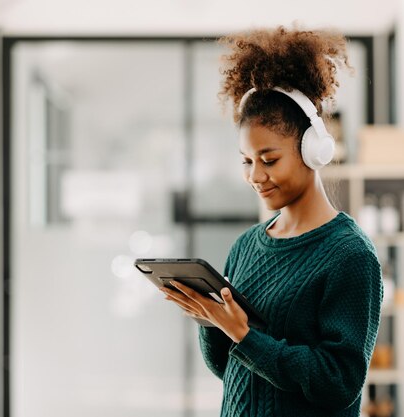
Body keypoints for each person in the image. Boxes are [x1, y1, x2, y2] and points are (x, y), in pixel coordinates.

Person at [160, 25, 383, 417]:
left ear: (313, 150)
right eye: (246, 161)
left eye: (269, 159)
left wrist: (244, 333)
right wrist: (213, 321)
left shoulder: (350, 255)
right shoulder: (247, 245)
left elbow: (339, 383)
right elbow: (229, 369)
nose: (255, 176)